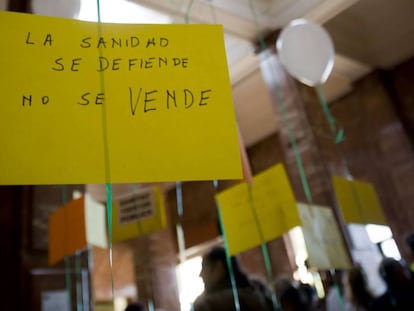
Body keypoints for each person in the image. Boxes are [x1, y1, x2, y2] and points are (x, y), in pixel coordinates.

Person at [192, 246, 275, 311]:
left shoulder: (206, 305)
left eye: (204, 268)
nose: (201, 274)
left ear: (219, 267)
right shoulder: (258, 290)